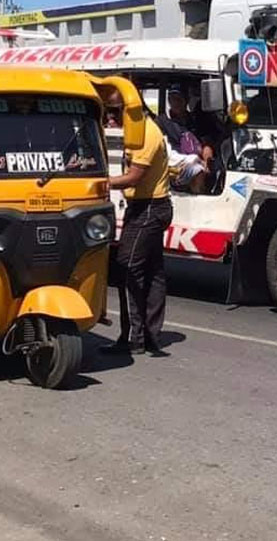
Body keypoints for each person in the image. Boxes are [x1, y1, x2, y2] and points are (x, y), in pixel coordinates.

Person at [104, 90, 173, 356]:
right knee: (153, 272)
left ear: (130, 110)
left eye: (116, 112)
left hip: (149, 208)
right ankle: (150, 336)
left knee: (128, 267)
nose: (114, 118)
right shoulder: (138, 131)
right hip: (147, 206)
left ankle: (134, 337)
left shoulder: (146, 133)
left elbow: (133, 177)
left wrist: (102, 182)